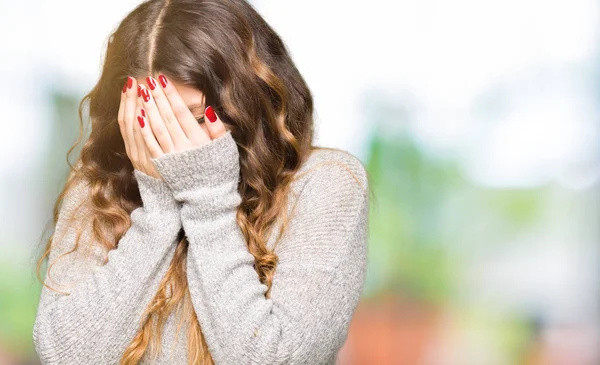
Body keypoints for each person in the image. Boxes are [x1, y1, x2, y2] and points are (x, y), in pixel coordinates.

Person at [32, 0, 371, 364]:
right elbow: (66, 356)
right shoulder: (102, 182)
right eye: (152, 122)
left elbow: (273, 358)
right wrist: (158, 213)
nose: (168, 144)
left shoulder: (326, 184)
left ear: (247, 102)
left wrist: (208, 201)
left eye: (191, 119)